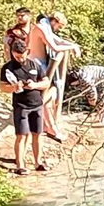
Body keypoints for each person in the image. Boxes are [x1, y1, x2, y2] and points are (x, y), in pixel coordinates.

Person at [27, 10, 81, 138]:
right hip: (35, 65)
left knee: (50, 93)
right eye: (59, 26)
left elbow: (59, 41)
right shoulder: (41, 28)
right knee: (47, 93)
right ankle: (49, 127)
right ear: (54, 21)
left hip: (39, 65)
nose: (58, 29)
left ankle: (48, 126)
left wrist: (74, 46)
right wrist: (71, 48)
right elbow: (54, 47)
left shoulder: (45, 28)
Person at [0, 41, 52, 174]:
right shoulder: (8, 68)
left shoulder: (35, 64)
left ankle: (38, 162)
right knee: (21, 135)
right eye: (17, 56)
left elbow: (46, 82)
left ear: (27, 52)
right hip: (21, 106)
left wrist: (34, 85)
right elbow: (2, 87)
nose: (20, 59)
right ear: (12, 53)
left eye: (22, 56)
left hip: (37, 104)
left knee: (37, 134)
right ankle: (20, 165)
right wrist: (14, 87)